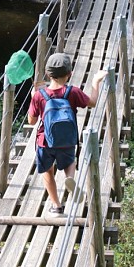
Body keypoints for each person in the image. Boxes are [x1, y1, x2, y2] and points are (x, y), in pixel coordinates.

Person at [28, 53, 107, 216]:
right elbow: (92, 102)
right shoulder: (73, 92)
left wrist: (32, 99)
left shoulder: (39, 95)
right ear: (69, 73)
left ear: (48, 74)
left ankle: (56, 206)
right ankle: (69, 177)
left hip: (45, 141)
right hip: (68, 140)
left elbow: (32, 121)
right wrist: (95, 82)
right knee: (70, 161)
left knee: (47, 172)